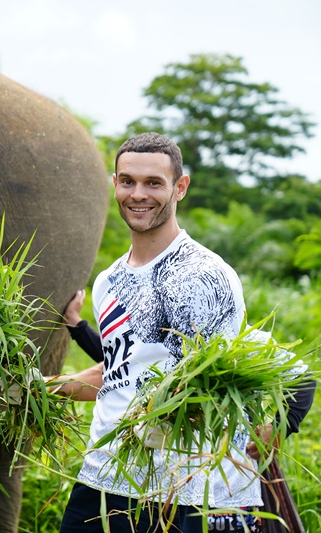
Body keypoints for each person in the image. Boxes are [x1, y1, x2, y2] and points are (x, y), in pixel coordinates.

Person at [48, 132, 316, 533]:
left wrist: (271, 431)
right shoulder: (107, 281)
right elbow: (122, 376)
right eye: (127, 181)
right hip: (104, 480)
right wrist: (40, 387)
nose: (138, 194)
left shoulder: (206, 275)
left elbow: (219, 385)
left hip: (190, 489)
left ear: (180, 188)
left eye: (153, 183)